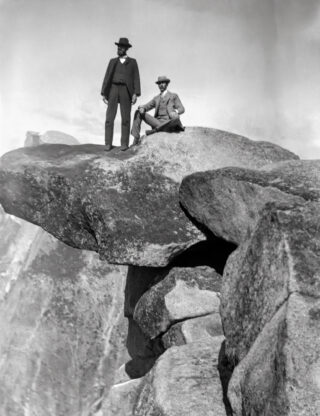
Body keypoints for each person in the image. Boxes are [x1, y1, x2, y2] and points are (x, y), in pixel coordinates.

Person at [101, 37, 141, 151]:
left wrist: (135, 94)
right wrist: (104, 92)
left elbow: (136, 78)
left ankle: (124, 144)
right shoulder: (112, 61)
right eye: (118, 46)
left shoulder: (132, 62)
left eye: (121, 47)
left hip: (126, 91)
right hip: (113, 89)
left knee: (126, 119)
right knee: (109, 118)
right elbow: (107, 76)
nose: (119, 48)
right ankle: (108, 143)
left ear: (126, 49)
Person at [131, 76, 185, 145]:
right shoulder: (156, 98)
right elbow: (147, 106)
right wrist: (142, 108)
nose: (161, 85)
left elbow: (182, 108)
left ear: (167, 84)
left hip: (169, 121)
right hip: (157, 122)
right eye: (159, 83)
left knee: (176, 118)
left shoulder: (173, 96)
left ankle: (156, 130)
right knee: (138, 112)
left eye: (163, 83)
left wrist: (176, 112)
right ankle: (136, 138)